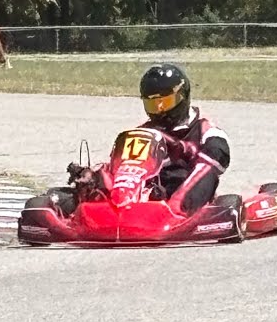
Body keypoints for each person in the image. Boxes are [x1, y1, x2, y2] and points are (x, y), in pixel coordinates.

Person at [52, 63, 231, 216]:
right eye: (153, 104)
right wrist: (97, 174)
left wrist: (184, 149)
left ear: (182, 96)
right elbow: (122, 165)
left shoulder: (204, 129)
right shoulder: (143, 131)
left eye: (164, 103)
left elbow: (218, 157)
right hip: (145, 194)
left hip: (182, 190)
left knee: (204, 169)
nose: (160, 111)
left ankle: (179, 211)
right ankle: (104, 205)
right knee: (101, 174)